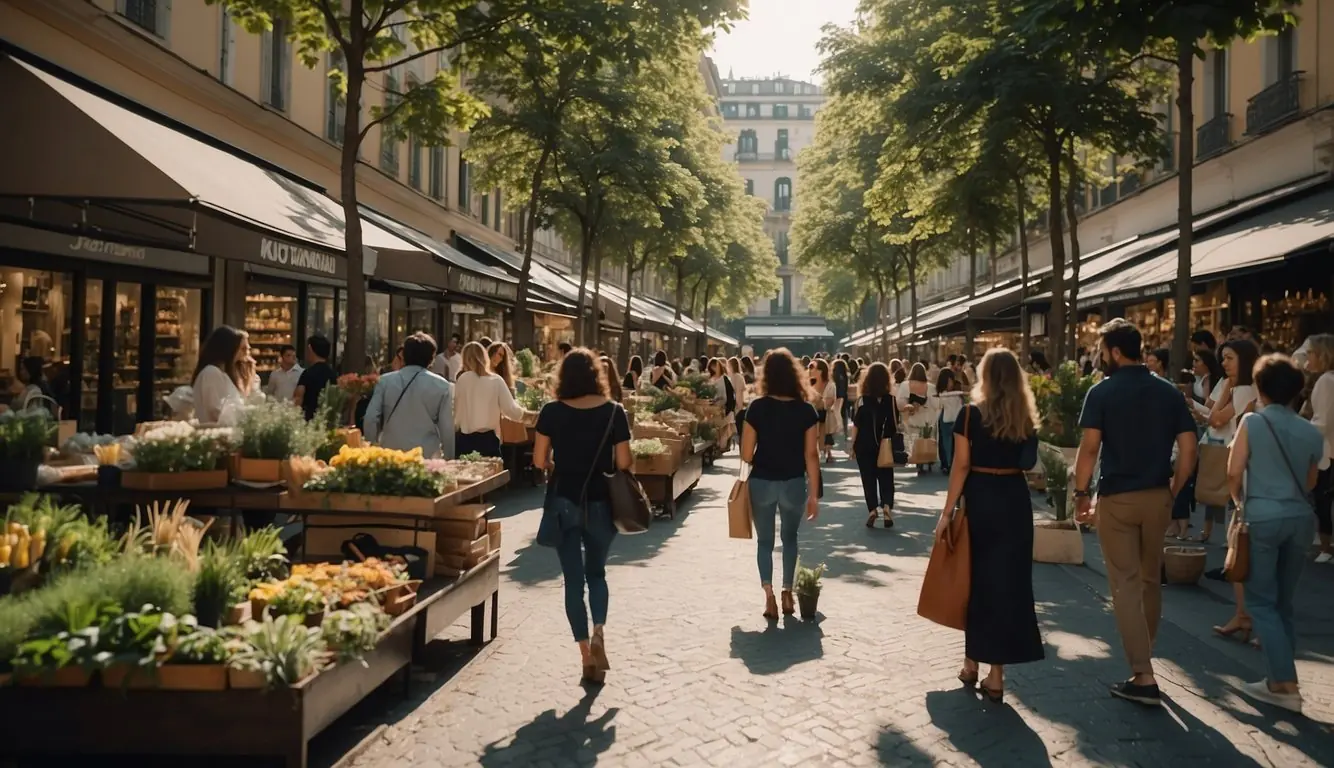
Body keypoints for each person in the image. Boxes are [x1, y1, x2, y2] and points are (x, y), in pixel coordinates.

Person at [1073, 319, 1198, 707]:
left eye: (1102, 350)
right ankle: (1145, 656)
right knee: (1148, 581)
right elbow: (1190, 449)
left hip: (1118, 498)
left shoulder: (1102, 392)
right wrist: (1173, 489)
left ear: (1113, 352)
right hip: (1158, 495)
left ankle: (1143, 676)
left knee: (1125, 584)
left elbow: (1090, 449)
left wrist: (1080, 494)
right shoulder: (1168, 393)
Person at [936, 348, 1043, 702]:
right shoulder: (1024, 417)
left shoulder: (969, 414)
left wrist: (947, 511)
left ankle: (971, 664)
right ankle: (996, 676)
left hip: (980, 499)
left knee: (976, 582)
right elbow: (1029, 463)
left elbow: (961, 466)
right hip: (1014, 499)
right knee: (1008, 586)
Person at [1227, 354, 1328, 713]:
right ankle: (1283, 680)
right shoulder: (1310, 431)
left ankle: (1283, 683)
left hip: (1263, 516)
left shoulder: (1253, 422)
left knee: (1260, 603)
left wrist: (1241, 503)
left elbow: (1233, 471)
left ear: (1261, 387)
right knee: (1283, 603)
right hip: (1300, 519)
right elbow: (1312, 481)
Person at [532, 348, 633, 685]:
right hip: (603, 503)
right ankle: (600, 630)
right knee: (598, 574)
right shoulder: (614, 412)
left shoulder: (551, 411)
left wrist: (555, 465)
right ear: (596, 375)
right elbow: (623, 463)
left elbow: (538, 460)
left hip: (563, 501)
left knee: (573, 582)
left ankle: (586, 656)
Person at [741, 348, 820, 620]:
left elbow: (745, 454)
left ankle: (769, 597)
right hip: (794, 482)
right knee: (790, 538)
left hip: (762, 481)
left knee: (765, 542)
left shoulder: (757, 408)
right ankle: (788, 592)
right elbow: (812, 454)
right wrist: (815, 494)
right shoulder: (807, 411)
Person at [1197, 340, 1260, 544]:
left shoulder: (1243, 390)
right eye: (1223, 358)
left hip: (1241, 453)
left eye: (1230, 358)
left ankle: (1234, 558)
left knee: (1236, 505)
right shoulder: (1246, 388)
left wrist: (1226, 387)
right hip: (1244, 451)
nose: (1224, 363)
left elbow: (1215, 419)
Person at [363, 332, 455, 458]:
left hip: (390, 452)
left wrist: (372, 445)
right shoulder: (442, 385)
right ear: (431, 358)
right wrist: (449, 458)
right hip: (426, 453)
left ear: (404, 355)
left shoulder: (385, 381)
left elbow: (370, 417)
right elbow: (447, 428)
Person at [453, 342, 527, 458]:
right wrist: (525, 413)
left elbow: (457, 414)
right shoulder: (496, 380)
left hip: (465, 439)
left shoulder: (462, 379)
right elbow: (512, 410)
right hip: (488, 440)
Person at [851, 362, 898, 528]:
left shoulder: (862, 401)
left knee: (868, 478)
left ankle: (872, 509)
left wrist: (852, 445)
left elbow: (856, 425)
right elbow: (895, 423)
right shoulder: (891, 401)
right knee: (886, 477)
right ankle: (886, 507)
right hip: (886, 445)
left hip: (864, 445)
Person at [1305, 334, 1334, 563]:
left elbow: (1321, 421)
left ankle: (1327, 547)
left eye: (1311, 353)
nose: (1307, 358)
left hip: (1326, 449)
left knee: (1322, 497)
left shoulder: (1326, 380)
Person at [192, 325, 252, 424]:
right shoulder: (211, 372)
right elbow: (215, 411)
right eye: (241, 349)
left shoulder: (223, 374)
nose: (245, 354)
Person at [898, 362, 939, 474]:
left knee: (915, 440)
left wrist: (910, 406)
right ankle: (929, 459)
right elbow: (936, 405)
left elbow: (900, 402)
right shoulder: (931, 387)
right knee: (927, 438)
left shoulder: (905, 385)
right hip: (927, 418)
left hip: (912, 417)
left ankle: (918, 461)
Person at [293, 335, 337, 421]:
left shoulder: (307, 374)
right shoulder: (333, 374)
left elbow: (298, 398)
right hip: (327, 421)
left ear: (310, 349)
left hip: (309, 421)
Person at [936, 368, 966, 473]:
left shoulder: (957, 392)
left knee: (954, 442)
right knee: (945, 442)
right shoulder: (943, 394)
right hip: (945, 418)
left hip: (955, 418)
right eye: (949, 381)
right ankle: (947, 463)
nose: (951, 383)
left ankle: (952, 463)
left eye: (951, 380)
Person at [809, 359, 837, 463]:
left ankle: (827, 451)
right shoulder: (809, 383)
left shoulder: (830, 385)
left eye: (813, 368)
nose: (810, 370)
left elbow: (830, 401)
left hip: (826, 413)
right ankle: (817, 451)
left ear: (821, 371)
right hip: (812, 413)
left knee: (826, 431)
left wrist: (820, 402)